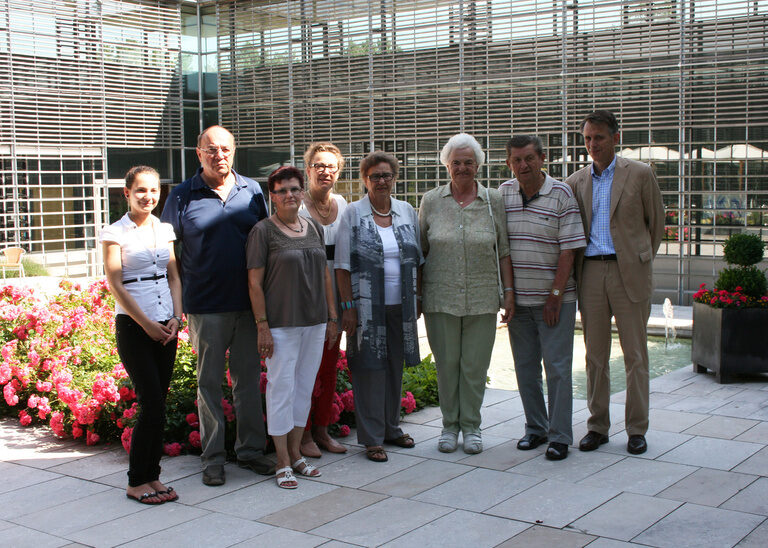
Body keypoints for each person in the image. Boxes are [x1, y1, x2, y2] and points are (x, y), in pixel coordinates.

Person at [161, 125, 272, 486]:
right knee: (208, 384)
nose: (218, 155)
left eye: (225, 149)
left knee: (248, 382)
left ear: (234, 151)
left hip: (247, 305)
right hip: (205, 306)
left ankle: (251, 451)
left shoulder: (252, 190)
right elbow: (168, 253)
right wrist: (177, 301)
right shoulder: (181, 195)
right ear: (199, 153)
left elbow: (264, 242)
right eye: (211, 149)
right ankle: (213, 458)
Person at [566, 110, 664, 455]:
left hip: (629, 274)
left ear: (615, 138)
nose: (593, 144)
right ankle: (598, 426)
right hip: (591, 272)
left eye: (600, 137)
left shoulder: (639, 174)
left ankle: (637, 429)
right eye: (588, 138)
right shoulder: (576, 181)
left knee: (635, 355)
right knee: (595, 356)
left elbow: (656, 226)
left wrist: (638, 259)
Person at [419, 133, 515, 455]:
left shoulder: (493, 201)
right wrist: (418, 296)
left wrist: (510, 293)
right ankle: (449, 427)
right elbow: (422, 250)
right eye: (456, 162)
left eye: (468, 162)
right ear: (447, 165)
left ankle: (471, 427)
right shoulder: (431, 201)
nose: (462, 168)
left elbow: (503, 250)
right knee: (447, 365)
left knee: (474, 367)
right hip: (440, 297)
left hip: (482, 296)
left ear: (478, 166)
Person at [246, 166, 338, 489]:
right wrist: (262, 327)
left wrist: (332, 316)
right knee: (280, 389)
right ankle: (282, 460)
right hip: (281, 325)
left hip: (314, 323)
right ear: (272, 196)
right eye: (282, 190)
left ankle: (297, 454)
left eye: (294, 189)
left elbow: (325, 275)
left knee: (303, 389)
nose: (289, 195)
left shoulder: (314, 226)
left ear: (302, 192)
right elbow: (254, 284)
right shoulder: (263, 232)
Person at [500, 135, 586, 461]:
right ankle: (535, 429)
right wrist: (507, 295)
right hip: (518, 303)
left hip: (556, 301)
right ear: (509, 163)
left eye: (529, 158)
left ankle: (560, 436)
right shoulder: (503, 195)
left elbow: (570, 251)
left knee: (559, 369)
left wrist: (555, 295)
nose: (523, 165)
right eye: (517, 160)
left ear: (542, 158)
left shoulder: (562, 194)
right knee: (525, 369)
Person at [101, 166, 183, 505]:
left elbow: (174, 276)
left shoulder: (164, 228)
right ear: (127, 193)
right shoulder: (114, 232)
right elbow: (115, 283)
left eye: (153, 190)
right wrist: (147, 324)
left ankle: (153, 474)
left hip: (167, 325)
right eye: (140, 191)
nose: (148, 196)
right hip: (135, 327)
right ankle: (137, 480)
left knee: (159, 404)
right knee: (150, 403)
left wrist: (177, 317)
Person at [335, 151, 422, 463]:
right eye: (375, 176)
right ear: (364, 179)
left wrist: (419, 297)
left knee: (393, 368)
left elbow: (418, 259)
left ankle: (391, 427)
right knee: (368, 369)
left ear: (394, 177)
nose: (382, 181)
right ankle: (371, 438)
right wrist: (348, 307)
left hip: (401, 304)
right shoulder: (353, 213)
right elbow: (342, 266)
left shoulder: (407, 210)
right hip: (365, 308)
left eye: (386, 175)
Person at [297, 142, 349, 458]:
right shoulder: (295, 206)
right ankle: (302, 435)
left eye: (330, 166)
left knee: (328, 368)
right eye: (318, 165)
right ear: (308, 170)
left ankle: (322, 431)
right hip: (305, 299)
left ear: (338, 171)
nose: (324, 171)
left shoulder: (343, 204)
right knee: (306, 369)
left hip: (337, 298)